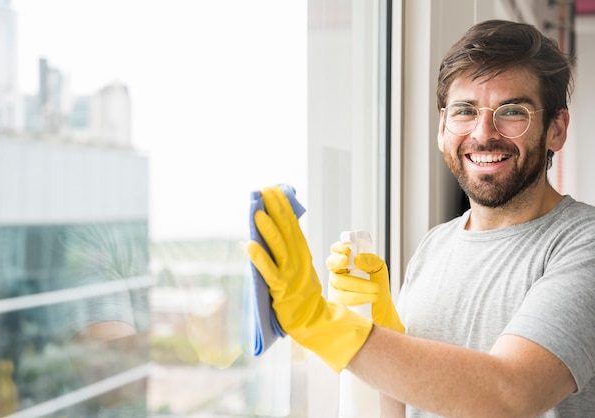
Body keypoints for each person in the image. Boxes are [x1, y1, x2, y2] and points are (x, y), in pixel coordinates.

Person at [247, 19, 595, 417]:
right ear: (442, 128)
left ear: (556, 129)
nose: (484, 133)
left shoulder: (583, 244)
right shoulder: (435, 246)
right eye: (464, 110)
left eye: (512, 111)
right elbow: (402, 409)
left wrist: (321, 323)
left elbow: (508, 396)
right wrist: (382, 331)